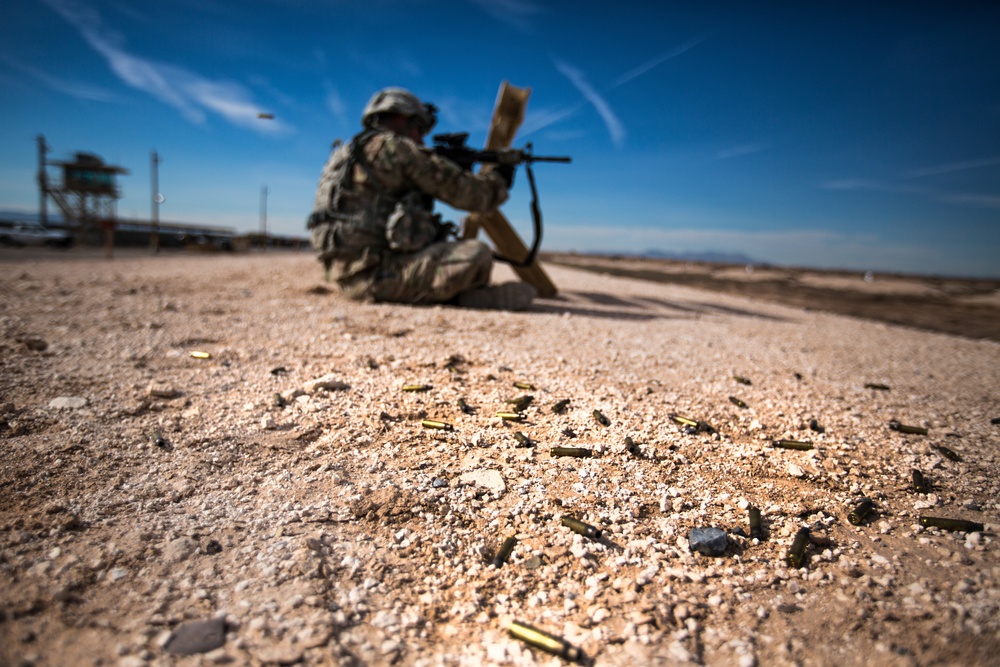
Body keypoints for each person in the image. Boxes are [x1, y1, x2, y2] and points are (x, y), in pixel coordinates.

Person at [307, 87, 537, 311]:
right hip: (379, 277)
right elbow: (475, 197)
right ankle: (463, 299)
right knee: (478, 255)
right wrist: (499, 178)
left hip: (342, 275)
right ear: (401, 118)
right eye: (419, 129)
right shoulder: (395, 148)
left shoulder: (343, 153)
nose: (422, 142)